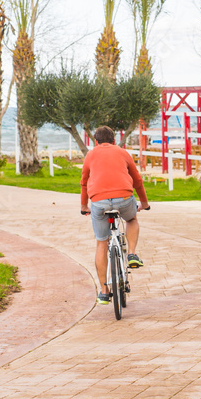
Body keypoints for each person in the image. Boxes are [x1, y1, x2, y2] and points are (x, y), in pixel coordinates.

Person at [80, 125, 149, 306]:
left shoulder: (90, 154)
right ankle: (132, 254)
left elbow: (84, 183)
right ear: (113, 141)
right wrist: (144, 203)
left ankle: (104, 291)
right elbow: (137, 180)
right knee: (132, 218)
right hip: (124, 198)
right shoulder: (122, 152)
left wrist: (83, 206)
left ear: (96, 141)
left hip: (99, 202)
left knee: (101, 242)